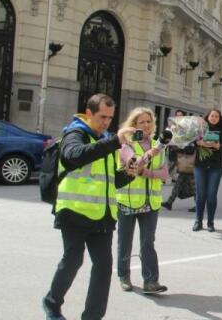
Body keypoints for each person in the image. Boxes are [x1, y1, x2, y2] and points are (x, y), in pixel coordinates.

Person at [42, 94, 136, 320]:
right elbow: (73, 156)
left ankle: (92, 317)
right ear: (89, 113)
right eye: (102, 116)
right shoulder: (75, 133)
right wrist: (114, 141)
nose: (106, 122)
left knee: (104, 268)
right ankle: (52, 304)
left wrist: (129, 173)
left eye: (110, 118)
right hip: (74, 211)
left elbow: (110, 179)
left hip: (101, 214)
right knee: (73, 260)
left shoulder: (104, 139)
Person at [116, 107, 168, 294]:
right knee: (125, 241)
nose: (146, 125)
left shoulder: (158, 144)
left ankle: (151, 281)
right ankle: (124, 276)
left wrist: (146, 172)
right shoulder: (126, 144)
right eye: (141, 122)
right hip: (128, 200)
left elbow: (164, 174)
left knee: (148, 242)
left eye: (148, 121)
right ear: (133, 125)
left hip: (151, 202)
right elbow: (133, 165)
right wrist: (148, 156)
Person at [193, 109, 222, 232]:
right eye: (212, 116)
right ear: (207, 117)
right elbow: (191, 144)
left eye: (216, 116)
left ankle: (210, 222)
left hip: (216, 167)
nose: (214, 118)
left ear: (219, 118)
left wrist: (217, 146)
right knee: (200, 195)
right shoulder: (200, 128)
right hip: (200, 165)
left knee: (211, 195)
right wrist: (199, 143)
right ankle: (198, 222)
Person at [161, 112, 196, 211]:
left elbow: (191, 149)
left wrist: (179, 148)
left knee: (193, 185)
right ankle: (169, 202)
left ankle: (198, 204)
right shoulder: (180, 133)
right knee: (179, 183)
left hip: (190, 163)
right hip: (183, 163)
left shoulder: (191, 134)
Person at [166, 109, 186, 180]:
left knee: (178, 162)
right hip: (173, 146)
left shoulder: (185, 125)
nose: (178, 117)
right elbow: (167, 132)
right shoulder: (172, 124)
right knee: (171, 162)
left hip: (182, 146)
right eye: (177, 115)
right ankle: (164, 176)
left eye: (180, 115)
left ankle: (173, 177)